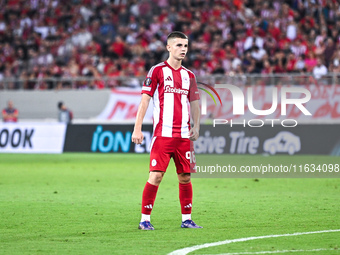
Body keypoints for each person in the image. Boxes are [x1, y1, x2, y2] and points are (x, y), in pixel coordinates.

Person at [132, 31, 201, 230]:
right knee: (156, 176)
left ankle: (186, 219)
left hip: (183, 136)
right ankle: (145, 219)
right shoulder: (157, 71)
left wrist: (196, 126)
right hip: (163, 134)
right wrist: (137, 129)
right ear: (169, 47)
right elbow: (144, 101)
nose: (183, 50)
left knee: (185, 177)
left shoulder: (190, 76)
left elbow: (195, 103)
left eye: (186, 46)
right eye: (179, 45)